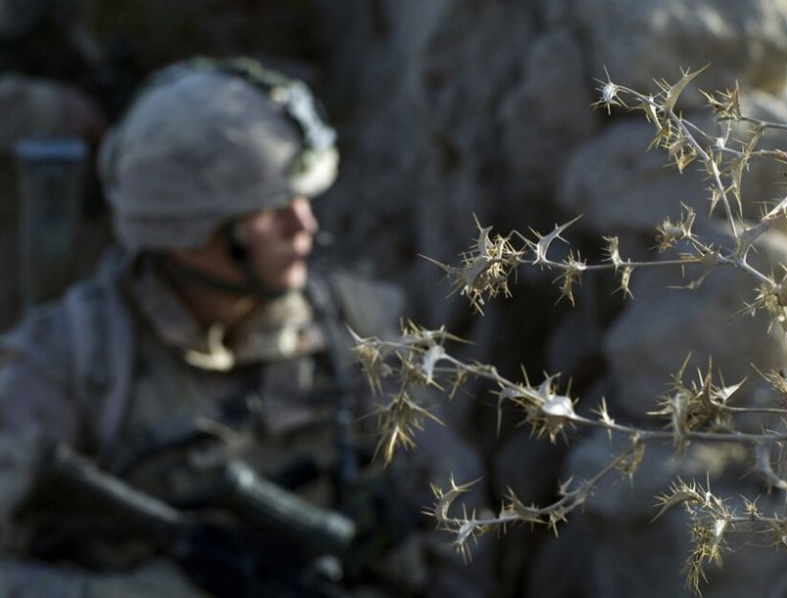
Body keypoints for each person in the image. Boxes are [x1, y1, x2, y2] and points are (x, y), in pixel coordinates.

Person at [0, 57, 486, 598]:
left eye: (301, 199)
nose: (305, 224)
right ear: (190, 231)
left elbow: (460, 533)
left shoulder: (357, 330)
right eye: (272, 208)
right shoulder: (67, 364)